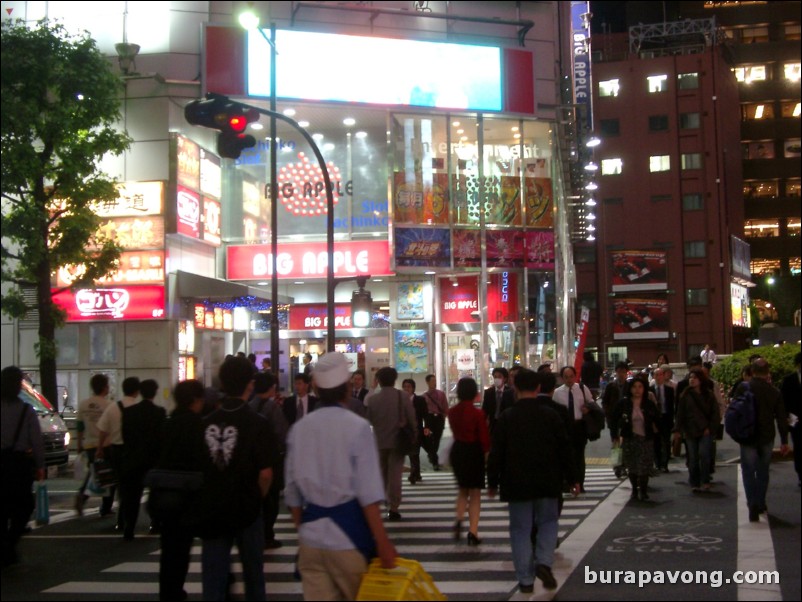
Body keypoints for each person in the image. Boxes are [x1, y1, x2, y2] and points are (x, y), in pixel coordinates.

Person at [284, 352, 397, 600]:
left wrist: (304, 529)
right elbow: (369, 494)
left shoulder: (299, 429)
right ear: (347, 388)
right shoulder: (357, 428)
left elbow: (292, 495)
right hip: (349, 539)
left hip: (311, 541)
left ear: (315, 388)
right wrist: (383, 542)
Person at [487, 367, 578, 594]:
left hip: (516, 481)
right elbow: (565, 448)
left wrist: (492, 481)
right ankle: (544, 562)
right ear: (538, 388)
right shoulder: (551, 415)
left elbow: (497, 452)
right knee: (548, 522)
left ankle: (526, 580)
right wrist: (573, 478)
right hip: (548, 479)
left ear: (515, 388)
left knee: (520, 529)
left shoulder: (507, 416)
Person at [199, 355, 275, 601]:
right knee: (253, 572)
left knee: (213, 573)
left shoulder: (205, 423)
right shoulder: (257, 423)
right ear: (250, 384)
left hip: (212, 507)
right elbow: (265, 474)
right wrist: (257, 497)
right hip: (247, 507)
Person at [154, 379, 207, 601]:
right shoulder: (199, 425)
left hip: (164, 495)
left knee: (169, 548)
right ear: (195, 400)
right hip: (189, 495)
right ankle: (176, 590)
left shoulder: (167, 424)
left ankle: (169, 591)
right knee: (183, 548)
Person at [2, 366, 45, 567]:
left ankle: (5, 546)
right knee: (24, 505)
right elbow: (36, 440)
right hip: (19, 464)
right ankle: (10, 543)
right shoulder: (26, 411)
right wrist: (40, 465)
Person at [738, 359, 790, 521]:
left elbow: (735, 411)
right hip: (766, 436)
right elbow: (781, 418)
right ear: (767, 373)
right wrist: (784, 441)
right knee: (762, 471)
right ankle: (760, 501)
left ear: (752, 372)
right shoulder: (774, 392)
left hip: (747, 436)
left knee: (748, 471)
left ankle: (752, 502)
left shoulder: (743, 388)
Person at [117, 378, 166, 540]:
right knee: (156, 493)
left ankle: (129, 527)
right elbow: (161, 438)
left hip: (132, 459)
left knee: (132, 496)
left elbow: (125, 436)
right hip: (153, 460)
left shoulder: (129, 412)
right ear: (155, 392)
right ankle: (155, 523)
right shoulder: (159, 412)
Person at [366, 367, 416, 521]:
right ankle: (393, 506)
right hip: (397, 442)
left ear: (379, 381)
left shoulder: (373, 400)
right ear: (395, 380)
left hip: (379, 441)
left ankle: (384, 499)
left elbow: (368, 420)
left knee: (382, 473)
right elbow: (412, 419)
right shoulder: (402, 396)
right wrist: (414, 436)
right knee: (395, 474)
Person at [249, 371, 290, 548]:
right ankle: (267, 534)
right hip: (271, 459)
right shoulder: (273, 408)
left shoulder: (250, 405)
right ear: (272, 388)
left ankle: (257, 533)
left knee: (257, 498)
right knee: (271, 499)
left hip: (252, 460)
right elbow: (282, 434)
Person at [448, 377, 490, 545]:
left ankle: (459, 518)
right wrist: (487, 455)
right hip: (474, 452)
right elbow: (484, 439)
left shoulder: (452, 412)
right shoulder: (478, 414)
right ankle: (473, 531)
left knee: (463, 489)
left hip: (457, 450)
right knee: (475, 493)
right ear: (474, 392)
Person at [96, 376, 141, 530]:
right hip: (133, 451)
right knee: (133, 486)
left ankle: (121, 519)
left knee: (121, 486)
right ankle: (128, 520)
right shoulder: (138, 408)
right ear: (137, 391)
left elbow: (102, 429)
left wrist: (100, 448)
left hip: (115, 450)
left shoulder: (113, 407)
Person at [673, 368, 719, 493]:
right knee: (692, 457)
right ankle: (694, 481)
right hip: (690, 430)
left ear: (701, 380)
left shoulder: (708, 395)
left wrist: (710, 428)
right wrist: (677, 429)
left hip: (706, 430)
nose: (692, 380)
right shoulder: (685, 395)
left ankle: (705, 480)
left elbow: (715, 413)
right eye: (690, 378)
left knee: (704, 455)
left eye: (695, 378)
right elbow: (680, 413)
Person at [613, 375, 659, 501]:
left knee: (644, 466)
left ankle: (643, 491)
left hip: (645, 438)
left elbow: (657, 419)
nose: (637, 390)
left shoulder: (649, 404)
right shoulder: (624, 403)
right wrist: (615, 435)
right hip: (629, 438)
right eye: (634, 387)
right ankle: (634, 489)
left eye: (640, 387)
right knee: (632, 465)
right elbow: (614, 418)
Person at [74, 373, 114, 517]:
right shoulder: (108, 405)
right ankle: (106, 507)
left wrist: (79, 444)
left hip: (89, 445)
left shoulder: (84, 404)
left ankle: (81, 496)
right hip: (105, 445)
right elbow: (108, 428)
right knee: (107, 475)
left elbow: (79, 426)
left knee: (94, 472)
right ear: (104, 387)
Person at [552, 366, 595, 492]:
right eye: (566, 377)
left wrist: (588, 408)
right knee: (566, 454)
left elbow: (591, 402)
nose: (569, 379)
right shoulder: (557, 392)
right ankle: (568, 483)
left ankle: (580, 483)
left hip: (579, 425)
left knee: (579, 456)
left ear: (575, 376)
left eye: (571, 376)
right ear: (562, 378)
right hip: (565, 427)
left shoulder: (582, 388)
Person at [601, 361, 630, 478]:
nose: (621, 374)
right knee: (616, 443)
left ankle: (624, 465)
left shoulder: (630, 386)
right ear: (616, 372)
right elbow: (604, 402)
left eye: (623, 372)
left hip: (627, 418)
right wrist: (608, 415)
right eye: (619, 372)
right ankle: (617, 466)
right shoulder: (611, 386)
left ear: (626, 373)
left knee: (625, 443)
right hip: (614, 418)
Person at [780, 352, 801, 487]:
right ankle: (800, 474)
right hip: (796, 420)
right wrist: (787, 416)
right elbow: (783, 401)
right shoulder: (789, 380)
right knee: (799, 448)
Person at [401, 379, 428, 485]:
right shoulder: (400, 400)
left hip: (417, 430)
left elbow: (425, 414)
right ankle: (416, 473)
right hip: (404, 431)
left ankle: (413, 474)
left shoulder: (420, 400)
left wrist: (427, 427)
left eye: (409, 386)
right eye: (405, 386)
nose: (406, 389)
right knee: (410, 453)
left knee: (414, 453)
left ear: (413, 388)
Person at [650, 367, 676, 473]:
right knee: (655, 441)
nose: (659, 377)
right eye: (657, 375)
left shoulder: (669, 390)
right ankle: (657, 463)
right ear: (654, 377)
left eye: (661, 375)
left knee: (666, 441)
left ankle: (664, 464)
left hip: (666, 417)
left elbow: (672, 406)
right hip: (654, 419)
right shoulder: (650, 390)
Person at [422, 374, 449, 471]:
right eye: (432, 380)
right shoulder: (424, 396)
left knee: (437, 439)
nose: (434, 382)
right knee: (429, 438)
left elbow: (445, 406)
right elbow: (423, 410)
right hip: (428, 419)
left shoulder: (441, 394)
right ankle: (434, 461)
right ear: (427, 382)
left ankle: (432, 455)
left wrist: (444, 416)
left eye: (435, 380)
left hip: (439, 419)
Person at [481, 367, 515, 434]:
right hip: (493, 423)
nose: (497, 379)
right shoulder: (489, 392)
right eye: (495, 377)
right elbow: (485, 409)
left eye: (499, 376)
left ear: (504, 379)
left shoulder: (510, 392)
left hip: (506, 423)